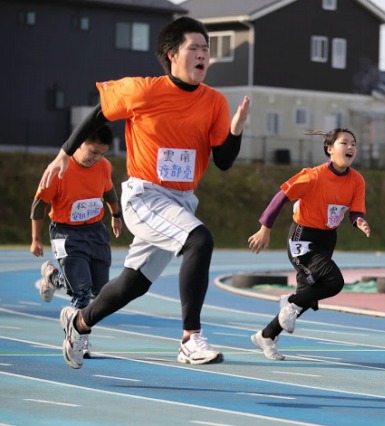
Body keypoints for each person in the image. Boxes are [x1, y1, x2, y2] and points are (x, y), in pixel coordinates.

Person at [39, 16, 250, 369]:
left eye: (206, 50)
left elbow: (224, 161)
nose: (203, 55)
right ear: (171, 54)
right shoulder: (143, 90)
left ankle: (78, 323)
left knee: (132, 284)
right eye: (194, 48)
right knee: (200, 240)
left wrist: (236, 131)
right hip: (145, 196)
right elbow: (97, 115)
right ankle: (189, 339)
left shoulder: (214, 102)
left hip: (181, 199)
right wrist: (64, 154)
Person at [247, 128, 371, 361]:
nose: (351, 147)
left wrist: (359, 221)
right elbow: (281, 196)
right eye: (344, 143)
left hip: (327, 239)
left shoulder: (357, 180)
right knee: (334, 282)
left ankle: (266, 335)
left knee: (307, 296)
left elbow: (355, 211)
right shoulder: (313, 176)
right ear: (329, 149)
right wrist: (265, 228)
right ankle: (289, 302)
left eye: (354, 143)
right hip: (302, 238)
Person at [30, 125, 122, 357]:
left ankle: (54, 278)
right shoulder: (59, 169)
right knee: (81, 292)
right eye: (93, 152)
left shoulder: (104, 166)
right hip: (66, 234)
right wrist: (35, 239)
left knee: (100, 292)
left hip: (95, 232)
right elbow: (39, 205)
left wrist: (116, 215)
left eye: (103, 153)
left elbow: (108, 191)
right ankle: (80, 338)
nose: (97, 158)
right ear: (79, 143)